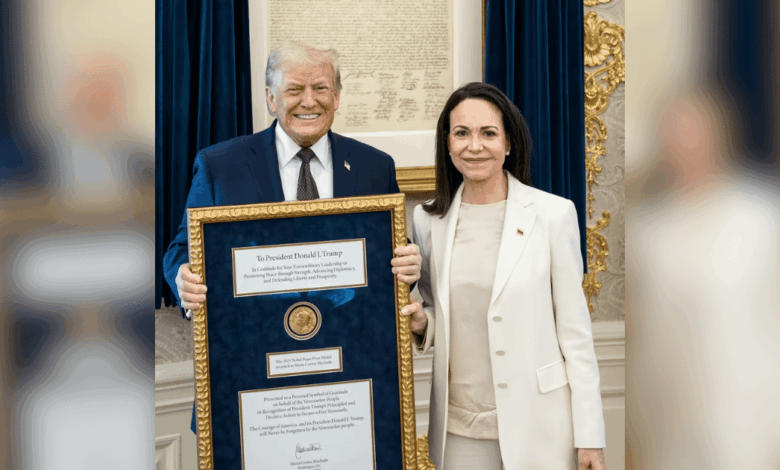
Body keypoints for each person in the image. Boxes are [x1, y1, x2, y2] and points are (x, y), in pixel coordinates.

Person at [401, 82, 607, 469]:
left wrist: (590, 438)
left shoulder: (553, 215)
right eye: (461, 133)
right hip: (459, 430)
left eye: (488, 133)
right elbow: (433, 308)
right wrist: (421, 322)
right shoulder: (427, 221)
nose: (473, 146)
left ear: (509, 143)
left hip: (541, 425)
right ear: (447, 143)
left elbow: (576, 336)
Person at [162, 43, 422, 318]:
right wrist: (184, 279)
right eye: (294, 90)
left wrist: (408, 267)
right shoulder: (219, 166)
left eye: (321, 88)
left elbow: (392, 255)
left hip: (351, 337)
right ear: (271, 99)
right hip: (252, 338)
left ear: (336, 97)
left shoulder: (375, 167)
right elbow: (183, 248)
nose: (309, 101)